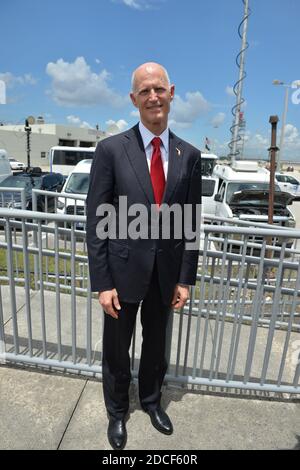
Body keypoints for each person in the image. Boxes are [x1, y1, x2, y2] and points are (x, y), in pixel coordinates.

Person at [86, 62, 201, 450]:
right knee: (118, 349)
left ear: (171, 93)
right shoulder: (111, 150)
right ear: (134, 99)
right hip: (121, 274)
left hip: (165, 275)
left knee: (156, 345)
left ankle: (151, 401)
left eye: (159, 89)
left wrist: (185, 278)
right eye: (145, 91)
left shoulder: (189, 155)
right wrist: (102, 283)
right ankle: (117, 412)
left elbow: (190, 223)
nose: (153, 96)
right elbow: (97, 220)